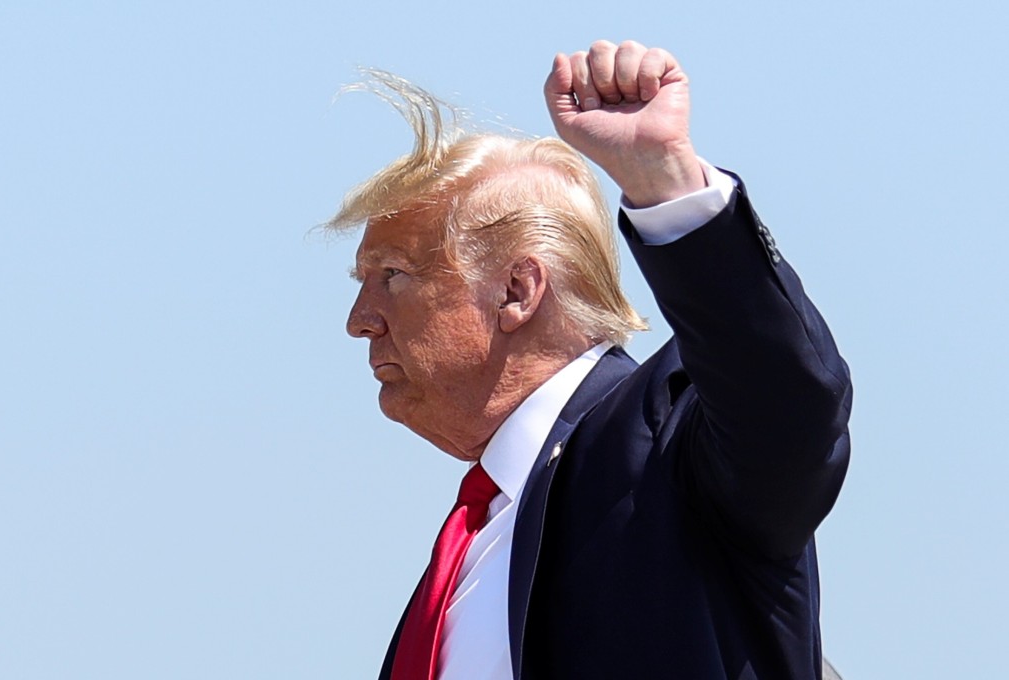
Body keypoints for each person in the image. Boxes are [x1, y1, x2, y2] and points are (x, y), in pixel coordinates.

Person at [328, 40, 851, 680]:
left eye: (393, 275)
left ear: (517, 291)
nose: (360, 320)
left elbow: (783, 399)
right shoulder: (474, 545)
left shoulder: (669, 441)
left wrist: (664, 181)